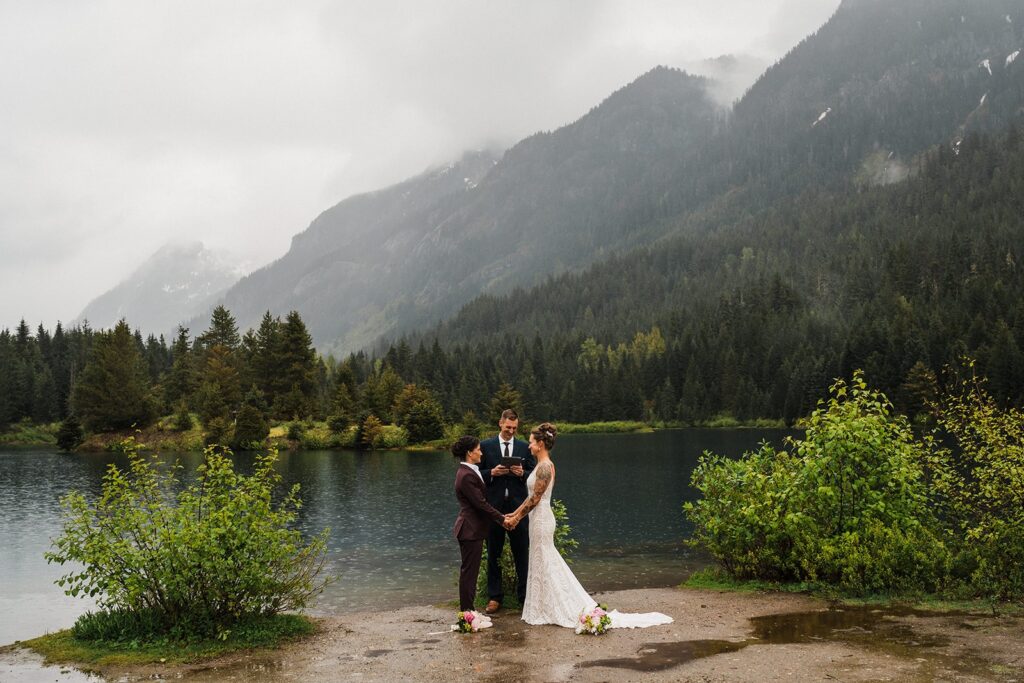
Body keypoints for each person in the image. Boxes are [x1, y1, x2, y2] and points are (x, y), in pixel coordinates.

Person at [505, 422, 674, 630]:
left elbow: (536, 498)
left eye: (531, 442)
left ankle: (564, 606)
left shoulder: (546, 466)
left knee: (546, 559)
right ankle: (542, 606)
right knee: (541, 561)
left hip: (541, 520)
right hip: (536, 519)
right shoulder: (540, 466)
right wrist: (513, 513)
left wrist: (516, 519)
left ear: (540, 444)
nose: (528, 446)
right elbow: (531, 497)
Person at [479, 408, 536, 613]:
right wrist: (492, 472)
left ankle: (524, 597)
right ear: (500, 423)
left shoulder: (524, 447)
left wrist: (522, 473)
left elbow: (535, 475)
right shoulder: (485, 446)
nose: (511, 431)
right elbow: (475, 474)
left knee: (521, 553)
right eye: (508, 427)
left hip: (518, 508)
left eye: (515, 427)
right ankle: (495, 598)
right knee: (493, 553)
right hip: (494, 509)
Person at [452, 435, 506, 612]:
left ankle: (468, 611)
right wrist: (503, 518)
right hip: (469, 529)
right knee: (469, 574)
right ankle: (467, 614)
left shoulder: (470, 470)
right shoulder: (466, 475)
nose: (481, 453)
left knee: (470, 573)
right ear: (469, 453)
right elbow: (480, 504)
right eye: (478, 450)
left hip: (473, 529)